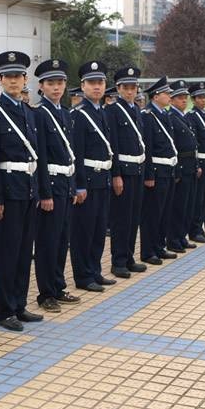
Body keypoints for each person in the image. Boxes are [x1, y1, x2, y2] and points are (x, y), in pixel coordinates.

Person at [0, 51, 44, 331]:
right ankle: (5, 309)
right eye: (7, 76)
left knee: (23, 251)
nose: (13, 81)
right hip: (7, 192)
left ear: (24, 79)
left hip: (28, 189)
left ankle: (20, 304)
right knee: (7, 253)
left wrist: (40, 190)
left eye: (18, 76)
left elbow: (37, 157)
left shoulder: (28, 113)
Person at [33, 59, 81, 312]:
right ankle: (45, 293)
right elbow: (39, 155)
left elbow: (70, 152)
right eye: (51, 83)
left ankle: (58, 285)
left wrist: (73, 186)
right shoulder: (39, 114)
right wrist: (44, 192)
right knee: (47, 242)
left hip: (65, 184)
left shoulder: (64, 113)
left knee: (62, 239)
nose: (56, 87)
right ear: (41, 86)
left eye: (60, 82)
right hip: (50, 185)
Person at [69, 61, 116, 293]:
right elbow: (76, 153)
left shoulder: (102, 113)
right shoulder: (79, 115)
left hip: (103, 179)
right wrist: (79, 185)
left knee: (98, 230)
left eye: (100, 83)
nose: (97, 87)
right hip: (87, 180)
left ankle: (95, 270)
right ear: (83, 86)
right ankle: (83, 276)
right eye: (92, 83)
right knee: (84, 231)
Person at [104, 67, 147, 279]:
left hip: (138, 169)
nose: (130, 92)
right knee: (121, 218)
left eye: (133, 87)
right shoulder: (112, 111)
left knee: (133, 217)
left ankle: (129, 257)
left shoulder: (137, 110)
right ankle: (118, 261)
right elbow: (113, 145)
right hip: (123, 171)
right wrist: (116, 174)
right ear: (118, 89)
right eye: (126, 88)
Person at [139, 77, 178, 265]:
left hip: (167, 170)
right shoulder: (148, 116)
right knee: (152, 213)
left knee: (165, 212)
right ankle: (148, 251)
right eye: (167, 93)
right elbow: (147, 147)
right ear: (155, 96)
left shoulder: (164, 114)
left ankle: (159, 246)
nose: (169, 96)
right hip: (156, 170)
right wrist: (149, 175)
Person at [166, 80, 201, 253]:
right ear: (171, 100)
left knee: (188, 204)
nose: (183, 100)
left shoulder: (183, 117)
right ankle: (173, 239)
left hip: (191, 165)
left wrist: (196, 165)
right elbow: (173, 146)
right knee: (178, 206)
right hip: (181, 165)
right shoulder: (171, 118)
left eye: (185, 97)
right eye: (179, 98)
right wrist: (178, 167)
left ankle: (182, 236)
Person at [186, 82, 205, 243]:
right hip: (200, 160)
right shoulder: (192, 116)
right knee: (197, 199)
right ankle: (194, 230)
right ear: (193, 99)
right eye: (199, 97)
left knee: (204, 197)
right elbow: (195, 141)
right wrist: (197, 163)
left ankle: (199, 227)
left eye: (204, 97)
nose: (203, 100)